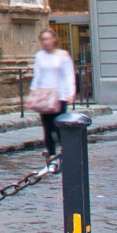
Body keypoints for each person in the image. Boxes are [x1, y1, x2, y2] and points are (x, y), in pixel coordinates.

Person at [30, 27, 76, 159]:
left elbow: (69, 75)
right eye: (43, 39)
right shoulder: (39, 56)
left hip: (60, 95)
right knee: (47, 126)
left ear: (54, 39)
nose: (46, 42)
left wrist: (71, 93)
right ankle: (51, 153)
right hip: (45, 95)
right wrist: (33, 94)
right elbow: (37, 76)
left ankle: (65, 151)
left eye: (49, 39)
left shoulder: (62, 55)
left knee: (59, 125)